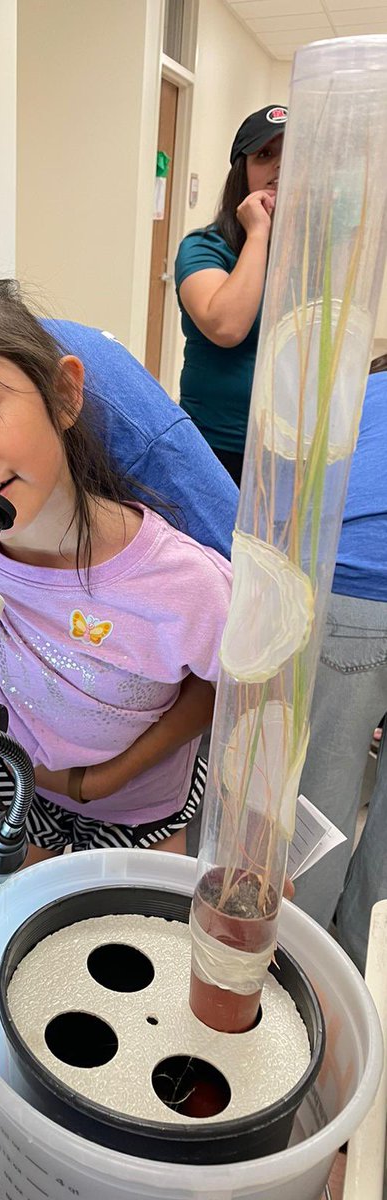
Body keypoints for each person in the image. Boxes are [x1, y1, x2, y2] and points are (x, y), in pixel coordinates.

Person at [0, 276, 234, 858]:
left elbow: (240, 697)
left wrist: (251, 844)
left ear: (63, 395)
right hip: (15, 783)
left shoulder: (187, 583)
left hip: (139, 804)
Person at [291, 354, 387, 971]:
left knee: (321, 800)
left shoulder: (362, 393)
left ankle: (304, 975)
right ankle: (364, 972)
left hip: (351, 587)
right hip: (356, 582)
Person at [175, 105, 287, 485]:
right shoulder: (205, 247)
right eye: (265, 155)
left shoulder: (308, 257)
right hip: (216, 446)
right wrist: (258, 233)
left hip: (288, 447)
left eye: (293, 154)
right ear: (242, 171)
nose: (279, 167)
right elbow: (225, 326)